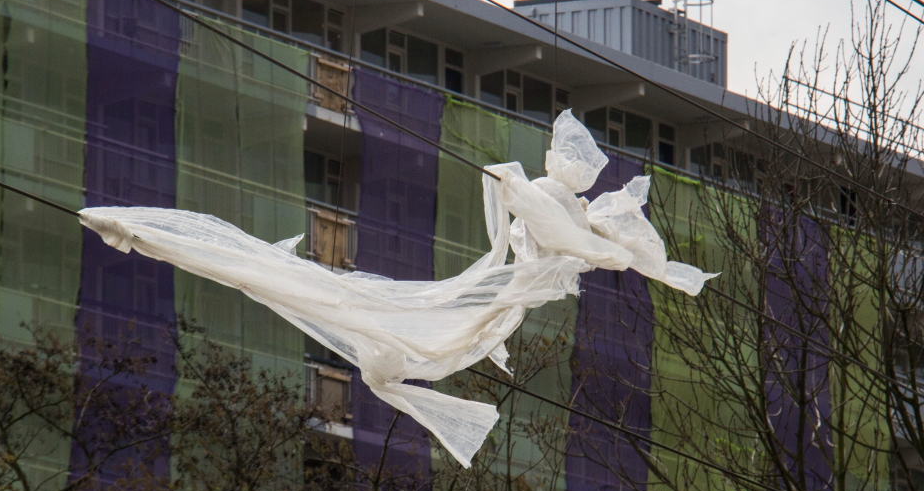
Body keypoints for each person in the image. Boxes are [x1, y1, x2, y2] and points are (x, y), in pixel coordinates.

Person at [79, 110, 715, 467]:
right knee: (310, 289)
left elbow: (564, 241)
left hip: (475, 307)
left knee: (305, 288)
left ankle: (142, 234)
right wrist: (620, 251)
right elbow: (563, 236)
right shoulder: (553, 200)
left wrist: (615, 248)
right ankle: (144, 233)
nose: (576, 175)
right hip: (466, 308)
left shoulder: (561, 206)